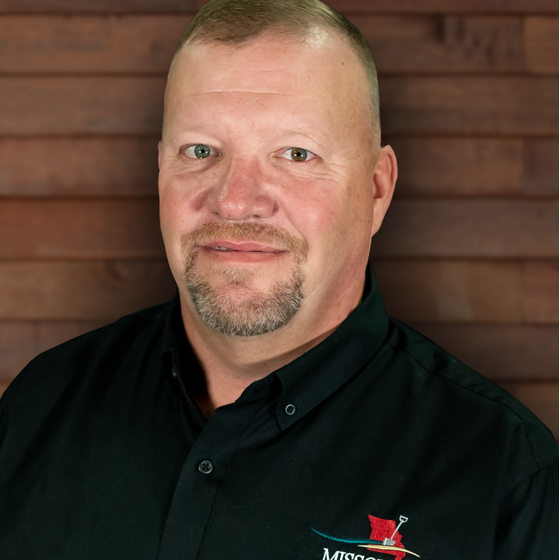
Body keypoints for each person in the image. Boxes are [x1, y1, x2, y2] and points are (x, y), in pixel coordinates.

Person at [0, 0, 557, 558]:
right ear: (162, 167)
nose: (235, 200)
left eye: (296, 154)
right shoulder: (41, 404)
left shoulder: (505, 474)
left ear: (375, 190)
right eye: (201, 150)